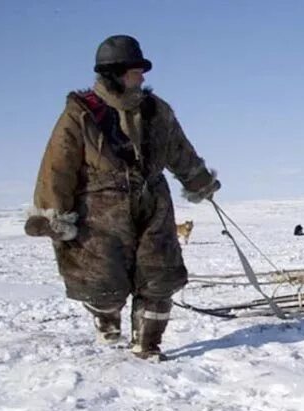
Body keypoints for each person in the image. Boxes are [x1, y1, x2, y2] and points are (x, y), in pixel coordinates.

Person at [24, 35, 220, 360]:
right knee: (104, 283)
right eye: (135, 70)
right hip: (100, 212)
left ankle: (147, 345)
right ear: (113, 72)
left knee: (160, 276)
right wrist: (52, 213)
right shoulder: (81, 113)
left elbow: (180, 151)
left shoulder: (157, 110)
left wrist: (199, 181)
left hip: (153, 204)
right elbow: (58, 165)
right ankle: (106, 317)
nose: (142, 76)